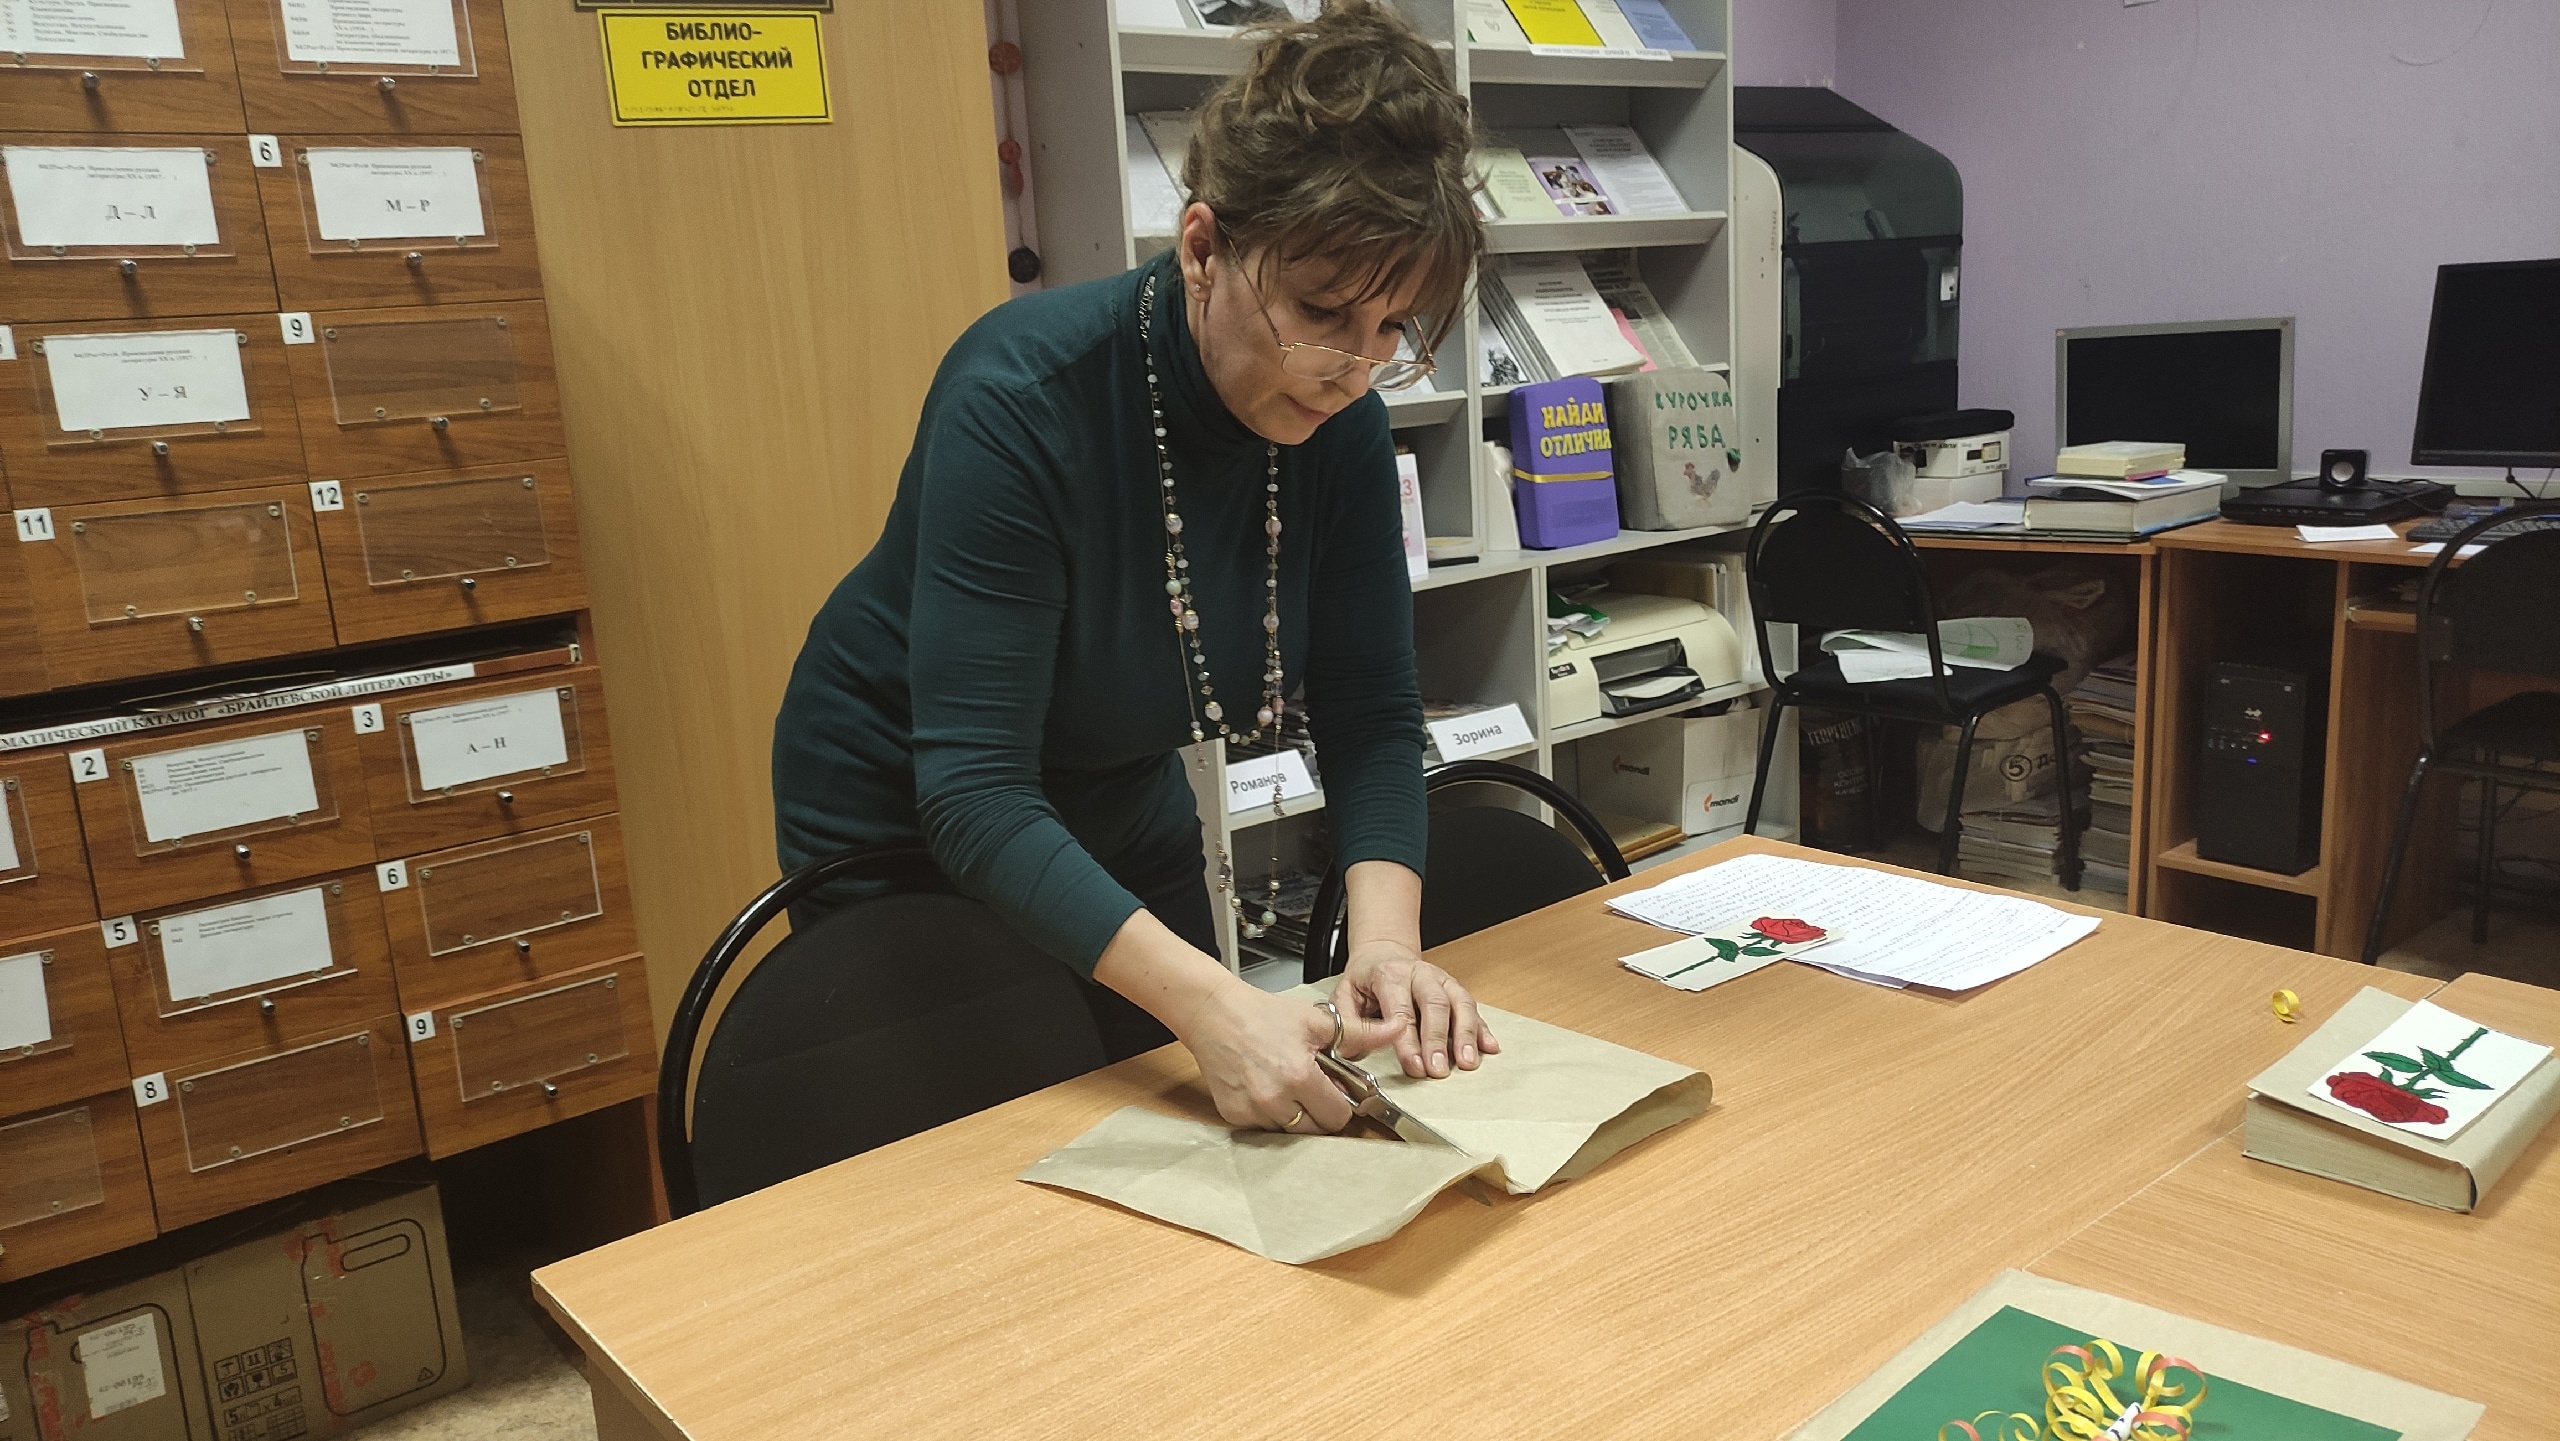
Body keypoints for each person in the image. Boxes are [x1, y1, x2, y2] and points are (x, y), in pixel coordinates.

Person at [772, 1, 1497, 1136]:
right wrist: (1213, 1002)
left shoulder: (1340, 418)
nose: (1355, 368)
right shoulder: (1022, 401)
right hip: (907, 817)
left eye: (1393, 327)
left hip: (1116, 796)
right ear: (1203, 248)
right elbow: (974, 790)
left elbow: (1369, 707)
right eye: (1322, 312)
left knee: (1188, 1132)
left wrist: (1389, 947)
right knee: (991, 1154)